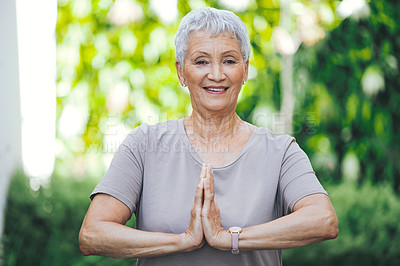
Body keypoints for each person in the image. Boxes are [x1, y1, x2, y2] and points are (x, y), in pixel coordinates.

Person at [79, 7, 338, 265]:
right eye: (201, 61)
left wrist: (230, 238)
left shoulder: (280, 152)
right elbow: (92, 234)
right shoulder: (144, 145)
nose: (216, 74)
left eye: (229, 60)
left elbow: (323, 220)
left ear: (245, 70)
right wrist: (183, 241)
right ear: (181, 71)